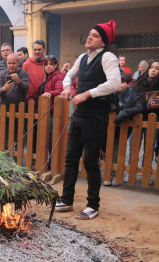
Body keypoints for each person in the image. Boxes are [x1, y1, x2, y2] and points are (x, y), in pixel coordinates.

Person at [57, 20, 121, 220]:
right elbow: (68, 75)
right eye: (90, 33)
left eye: (95, 35)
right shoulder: (83, 57)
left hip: (96, 115)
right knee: (70, 159)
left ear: (103, 42)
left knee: (91, 161)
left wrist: (86, 94)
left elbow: (115, 83)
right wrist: (67, 87)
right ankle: (67, 199)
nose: (89, 37)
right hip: (79, 114)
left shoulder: (108, 56)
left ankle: (93, 205)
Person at [104, 72, 145, 186]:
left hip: (124, 126)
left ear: (128, 83)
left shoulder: (133, 95)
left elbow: (139, 107)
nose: (119, 84)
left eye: (121, 82)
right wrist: (117, 111)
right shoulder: (112, 92)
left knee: (119, 149)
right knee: (107, 149)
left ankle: (116, 175)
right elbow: (107, 104)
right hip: (110, 125)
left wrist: (125, 113)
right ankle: (108, 173)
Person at [39, 56, 64, 156]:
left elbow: (59, 90)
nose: (48, 67)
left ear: (55, 65)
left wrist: (50, 93)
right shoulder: (48, 76)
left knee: (51, 136)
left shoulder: (58, 76)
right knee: (47, 135)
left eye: (51, 64)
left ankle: (51, 159)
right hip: (47, 108)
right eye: (46, 65)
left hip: (54, 109)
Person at [22, 40, 46, 105]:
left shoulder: (48, 63)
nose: (37, 52)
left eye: (39, 49)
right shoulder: (26, 64)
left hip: (46, 100)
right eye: (35, 50)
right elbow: (23, 83)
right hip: (30, 101)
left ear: (44, 50)